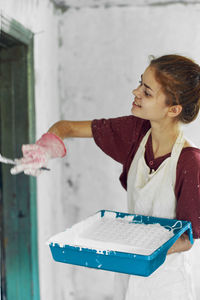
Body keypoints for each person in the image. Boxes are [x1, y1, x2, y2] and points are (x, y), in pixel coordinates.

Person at [11, 54, 200, 299]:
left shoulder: (190, 162)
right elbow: (66, 127)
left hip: (167, 281)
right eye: (139, 83)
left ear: (173, 109)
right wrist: (46, 148)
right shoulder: (135, 132)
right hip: (129, 270)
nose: (135, 92)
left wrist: (133, 251)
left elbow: (188, 237)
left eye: (147, 91)